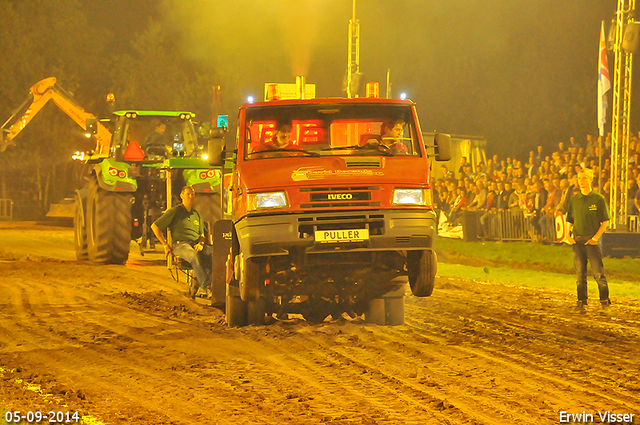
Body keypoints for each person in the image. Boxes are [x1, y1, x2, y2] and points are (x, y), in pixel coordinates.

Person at [151, 186, 212, 298]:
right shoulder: (176, 211)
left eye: (192, 194)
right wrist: (165, 245)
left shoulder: (196, 214)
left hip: (196, 245)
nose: (190, 196)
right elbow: (155, 226)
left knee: (216, 254)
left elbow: (202, 234)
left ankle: (216, 286)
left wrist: (201, 243)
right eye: (188, 194)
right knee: (194, 256)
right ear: (181, 195)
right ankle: (207, 288)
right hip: (181, 245)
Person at [566, 168, 611, 313]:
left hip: (591, 242)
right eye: (579, 178)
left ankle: (604, 303)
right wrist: (567, 235)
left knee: (598, 274)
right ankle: (581, 303)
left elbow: (605, 221)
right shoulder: (575, 199)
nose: (581, 181)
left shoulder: (598, 199)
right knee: (580, 275)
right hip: (577, 242)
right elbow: (570, 219)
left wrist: (595, 238)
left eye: (584, 178)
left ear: (591, 179)